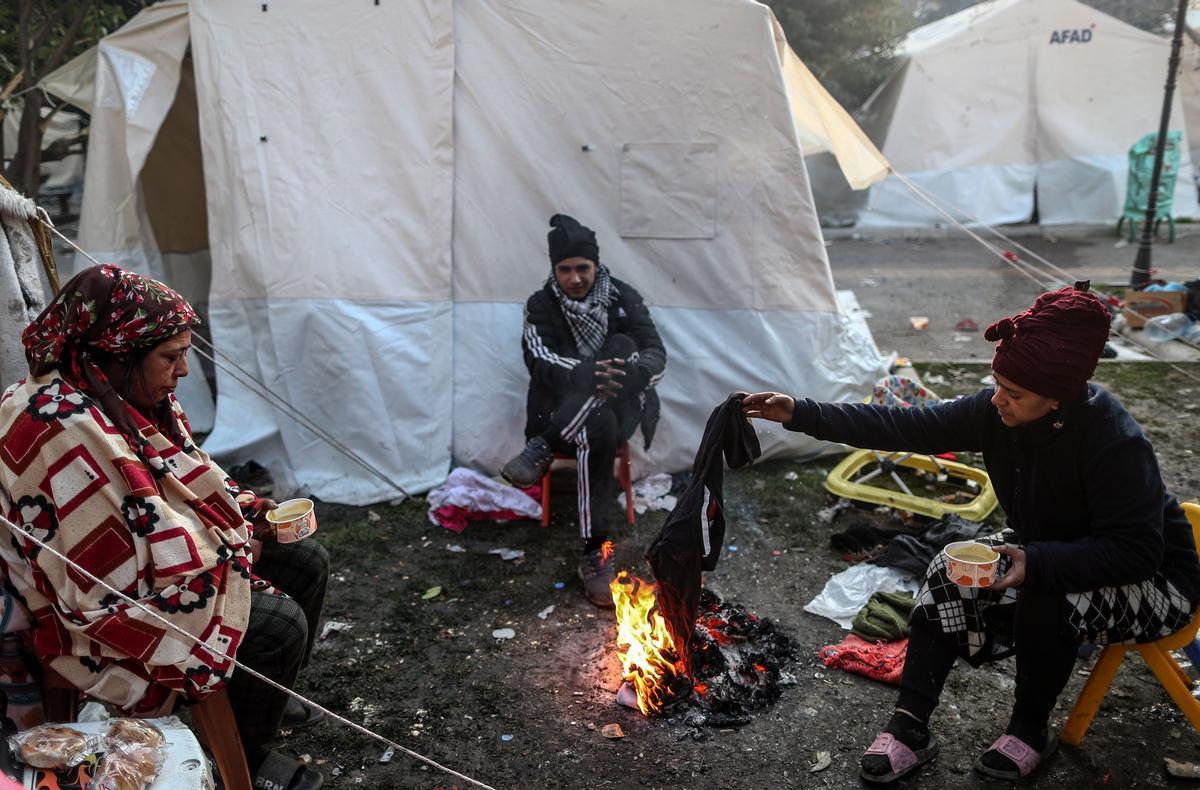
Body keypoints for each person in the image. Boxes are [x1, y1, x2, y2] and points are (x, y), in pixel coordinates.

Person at [742, 283, 1200, 783]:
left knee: (1046, 589)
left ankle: (1029, 730)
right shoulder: (994, 413)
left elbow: (1137, 550)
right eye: (997, 383)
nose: (998, 399)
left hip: (1158, 583)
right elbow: (903, 427)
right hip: (1050, 554)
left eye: (1015, 394)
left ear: (1057, 400)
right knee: (947, 566)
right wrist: (801, 414)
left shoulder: (1113, 439)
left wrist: (1039, 563)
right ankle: (910, 725)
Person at [0, 264, 327, 788]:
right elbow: (101, 576)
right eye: (171, 357)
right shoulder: (56, 425)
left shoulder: (116, 392)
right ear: (117, 350)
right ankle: (236, 760)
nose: (183, 372)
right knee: (277, 626)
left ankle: (260, 702)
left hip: (152, 563)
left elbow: (181, 481)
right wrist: (230, 551)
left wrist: (242, 515)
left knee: (308, 562)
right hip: (95, 610)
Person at [502, 214, 667, 607]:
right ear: (554, 268)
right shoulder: (541, 305)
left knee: (623, 347)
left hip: (608, 411)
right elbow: (539, 361)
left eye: (582, 268)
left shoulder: (622, 296)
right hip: (558, 406)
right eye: (565, 269)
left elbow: (654, 352)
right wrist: (588, 374)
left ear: (596, 265)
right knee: (598, 422)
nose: (575, 278)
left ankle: (543, 446)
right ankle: (596, 552)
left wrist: (628, 376)